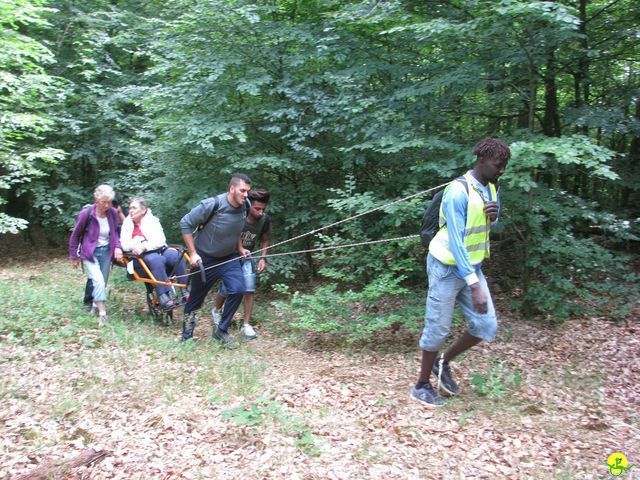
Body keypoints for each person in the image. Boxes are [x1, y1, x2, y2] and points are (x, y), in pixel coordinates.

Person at [411, 138, 510, 407]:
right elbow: (456, 238)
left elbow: (488, 225)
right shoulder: (457, 191)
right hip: (445, 267)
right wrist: (473, 283)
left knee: (486, 325)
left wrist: (494, 215)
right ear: (481, 161)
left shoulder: (492, 187)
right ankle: (421, 385)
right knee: (438, 328)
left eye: (504, 166)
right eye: (498, 165)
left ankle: (443, 362)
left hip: (472, 267)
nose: (501, 170)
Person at [179, 173, 252, 347]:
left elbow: (236, 230)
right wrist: (193, 253)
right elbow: (185, 223)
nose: (246, 195)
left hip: (229, 258)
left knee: (238, 289)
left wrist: (240, 248)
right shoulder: (213, 204)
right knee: (196, 300)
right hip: (205, 259)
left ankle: (221, 331)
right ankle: (186, 337)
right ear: (232, 188)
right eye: (243, 190)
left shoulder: (245, 206)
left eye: (248, 191)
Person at [211, 189, 271, 340]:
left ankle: (246, 324)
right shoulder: (238, 216)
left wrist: (263, 258)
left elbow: (265, 240)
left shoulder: (264, 220)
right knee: (226, 290)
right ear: (249, 205)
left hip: (247, 257)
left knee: (249, 289)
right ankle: (216, 311)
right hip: (230, 256)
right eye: (257, 209)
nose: (261, 212)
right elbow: (229, 234)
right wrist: (238, 249)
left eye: (263, 209)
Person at [69, 184, 124, 326]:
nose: (106, 205)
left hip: (106, 251)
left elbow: (115, 233)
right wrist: (74, 256)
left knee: (102, 283)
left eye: (109, 202)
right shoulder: (86, 214)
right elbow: (75, 236)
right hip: (90, 253)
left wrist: (117, 247)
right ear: (96, 200)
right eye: (103, 202)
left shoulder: (112, 213)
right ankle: (102, 314)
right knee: (98, 281)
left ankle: (94, 306)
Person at [120, 197, 188, 309]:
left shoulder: (153, 221)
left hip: (157, 250)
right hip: (139, 259)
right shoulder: (127, 224)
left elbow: (160, 240)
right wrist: (133, 245)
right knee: (156, 259)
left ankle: (185, 290)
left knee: (177, 255)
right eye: (130, 208)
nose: (130, 210)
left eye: (134, 208)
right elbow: (124, 244)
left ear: (143, 210)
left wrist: (145, 246)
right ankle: (163, 296)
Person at [83, 192, 127, 310]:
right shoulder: (90, 212)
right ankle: (90, 301)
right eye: (106, 203)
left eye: (111, 204)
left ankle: (96, 304)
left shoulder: (118, 212)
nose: (108, 206)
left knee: (102, 277)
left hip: (113, 246)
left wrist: (120, 213)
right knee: (96, 277)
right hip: (93, 249)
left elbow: (127, 225)